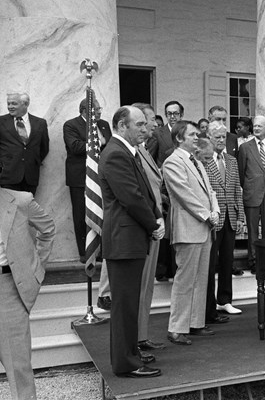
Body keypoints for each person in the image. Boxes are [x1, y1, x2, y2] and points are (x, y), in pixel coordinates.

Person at [99, 106, 164, 377]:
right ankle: (126, 363)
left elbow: (145, 192)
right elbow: (131, 197)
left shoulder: (128, 151)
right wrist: (154, 224)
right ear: (122, 125)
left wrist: (156, 216)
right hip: (124, 240)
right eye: (139, 124)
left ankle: (131, 354)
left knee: (129, 304)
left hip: (131, 239)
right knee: (124, 306)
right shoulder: (115, 153)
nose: (144, 128)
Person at [0, 165, 55, 399]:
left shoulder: (21, 201)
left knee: (18, 365)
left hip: (8, 290)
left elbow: (48, 229)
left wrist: (35, 268)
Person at [163, 120, 220, 345]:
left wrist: (214, 210)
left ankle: (195, 323)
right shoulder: (172, 162)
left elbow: (209, 191)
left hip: (204, 227)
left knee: (200, 279)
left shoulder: (195, 160)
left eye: (198, 134)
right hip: (189, 228)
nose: (197, 138)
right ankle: (176, 328)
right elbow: (184, 195)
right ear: (179, 138)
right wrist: (207, 215)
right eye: (192, 135)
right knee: (185, 281)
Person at [130, 103, 167, 354]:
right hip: (144, 227)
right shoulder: (131, 152)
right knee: (138, 287)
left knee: (147, 288)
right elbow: (136, 193)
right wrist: (153, 221)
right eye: (147, 121)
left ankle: (141, 336)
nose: (153, 125)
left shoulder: (143, 150)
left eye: (151, 121)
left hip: (153, 225)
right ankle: (134, 340)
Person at [203, 123, 246, 319]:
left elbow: (237, 188)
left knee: (228, 260)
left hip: (231, 216)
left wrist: (240, 217)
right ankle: (208, 305)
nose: (221, 141)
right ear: (209, 138)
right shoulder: (203, 161)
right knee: (210, 264)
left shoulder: (231, 160)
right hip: (212, 220)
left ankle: (225, 300)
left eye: (223, 137)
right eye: (217, 137)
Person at [63, 98, 112, 260]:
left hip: (102, 176)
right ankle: (85, 253)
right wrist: (97, 142)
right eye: (96, 109)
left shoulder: (104, 124)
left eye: (100, 109)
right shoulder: (71, 125)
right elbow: (75, 146)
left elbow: (110, 147)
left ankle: (102, 251)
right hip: (80, 178)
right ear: (85, 111)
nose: (100, 112)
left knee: (102, 212)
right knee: (81, 214)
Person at [238, 115, 265, 273]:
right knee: (252, 230)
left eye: (259, 126)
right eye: (255, 126)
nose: (256, 129)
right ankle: (254, 261)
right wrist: (251, 186)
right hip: (252, 193)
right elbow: (241, 173)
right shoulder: (245, 148)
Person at [0, 92, 50, 194]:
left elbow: (44, 148)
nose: (10, 107)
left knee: (28, 209)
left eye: (14, 104)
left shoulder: (40, 123)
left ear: (25, 104)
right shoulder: (1, 122)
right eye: (8, 104)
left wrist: (33, 161)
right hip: (7, 177)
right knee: (9, 209)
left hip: (30, 177)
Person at [148, 100, 183, 166]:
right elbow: (150, 159)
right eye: (169, 114)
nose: (172, 117)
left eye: (175, 113)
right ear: (166, 115)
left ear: (181, 115)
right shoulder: (157, 134)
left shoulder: (187, 133)